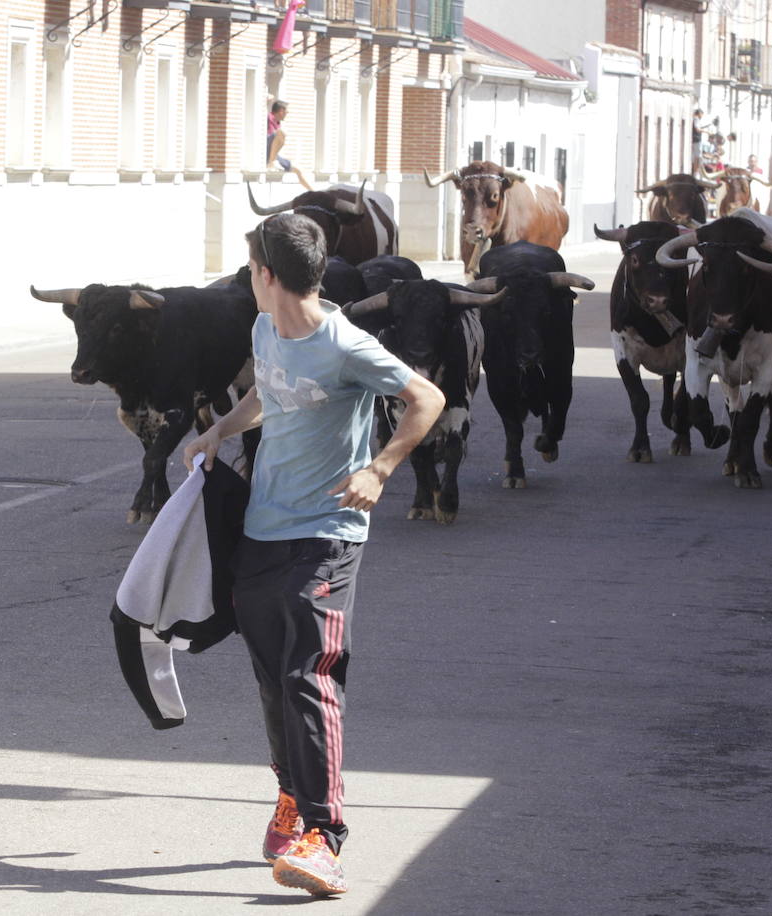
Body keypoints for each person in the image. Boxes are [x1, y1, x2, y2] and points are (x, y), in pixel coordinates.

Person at [182, 212, 445, 897]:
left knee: (310, 674)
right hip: (263, 526)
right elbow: (269, 397)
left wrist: (381, 469)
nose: (249, 282)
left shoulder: (347, 346)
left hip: (329, 532)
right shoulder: (264, 327)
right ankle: (292, 797)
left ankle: (324, 839)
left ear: (267, 276)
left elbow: (427, 398)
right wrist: (219, 428)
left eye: (250, 272)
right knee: (273, 676)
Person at [267, 100, 312, 192]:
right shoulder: (269, 117)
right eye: (286, 111)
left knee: (298, 169)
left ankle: (314, 192)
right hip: (265, 151)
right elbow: (260, 112)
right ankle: (271, 163)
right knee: (281, 133)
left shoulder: (278, 123)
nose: (287, 113)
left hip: (274, 155)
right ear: (281, 111)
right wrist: (266, 102)